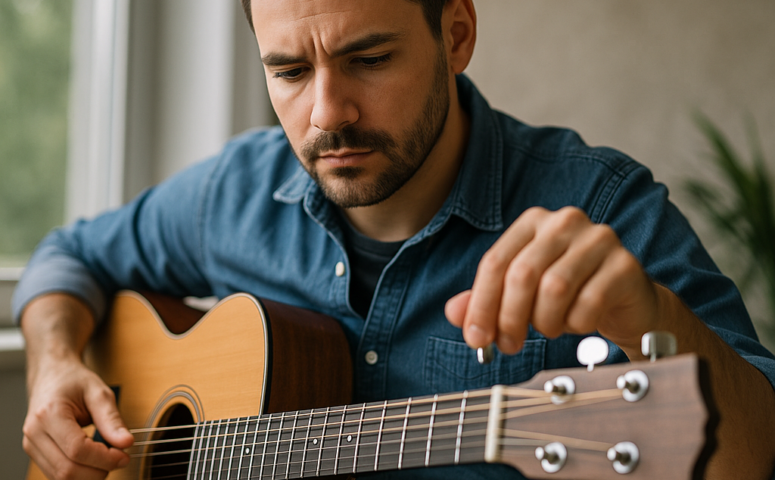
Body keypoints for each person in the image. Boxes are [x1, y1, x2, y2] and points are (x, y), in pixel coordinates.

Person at [13, 0, 775, 479]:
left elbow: (756, 449)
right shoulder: (232, 193)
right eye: (287, 71)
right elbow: (68, 257)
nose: (326, 113)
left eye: (367, 59)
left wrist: (651, 317)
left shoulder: (599, 207)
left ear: (455, 34)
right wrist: (52, 369)